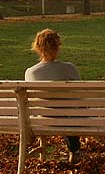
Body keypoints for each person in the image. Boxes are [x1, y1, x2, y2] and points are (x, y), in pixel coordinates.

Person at [25, 28, 82, 164]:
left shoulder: (31, 72)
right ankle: (74, 150)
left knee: (62, 112)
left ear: (38, 48)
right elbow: (79, 95)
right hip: (69, 118)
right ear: (58, 47)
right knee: (69, 113)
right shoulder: (69, 68)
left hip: (43, 118)